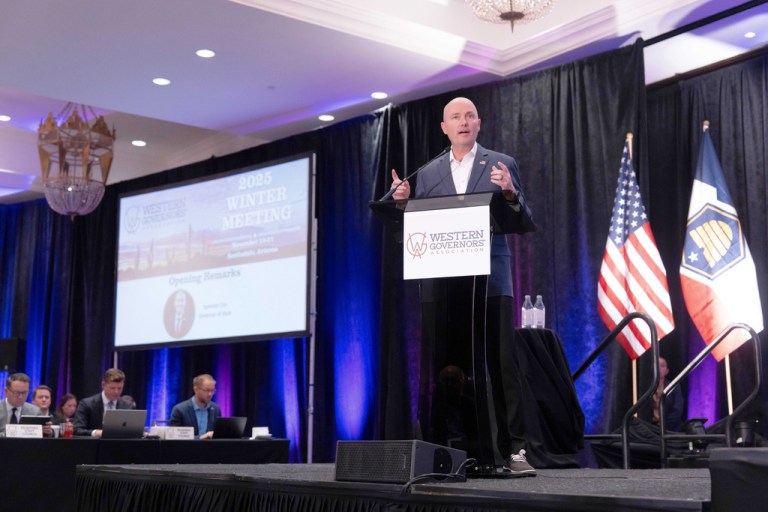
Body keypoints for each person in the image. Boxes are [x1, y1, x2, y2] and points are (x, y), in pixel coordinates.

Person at [390, 97, 535, 475]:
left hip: (490, 281)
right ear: (444, 127)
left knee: (501, 365)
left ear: (479, 123)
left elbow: (523, 218)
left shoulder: (501, 164)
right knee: (447, 370)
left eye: (469, 115)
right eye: (455, 117)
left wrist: (509, 194)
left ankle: (514, 452)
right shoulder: (429, 172)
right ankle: (447, 451)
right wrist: (404, 205)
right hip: (444, 286)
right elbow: (423, 226)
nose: (463, 122)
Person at [73, 368, 135, 437]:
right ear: (103, 385)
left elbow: (132, 431)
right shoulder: (86, 404)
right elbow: (77, 430)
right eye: (112, 388)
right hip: (94, 445)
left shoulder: (127, 406)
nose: (116, 392)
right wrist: (96, 433)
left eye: (119, 388)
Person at [169, 374, 221, 439]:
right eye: (207, 390)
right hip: (187, 448)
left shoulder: (215, 409)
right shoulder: (180, 410)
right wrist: (200, 437)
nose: (210, 394)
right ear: (196, 389)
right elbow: (173, 437)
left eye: (212, 391)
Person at [643, 356, 684, 432]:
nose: (658, 368)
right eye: (656, 365)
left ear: (667, 371)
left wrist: (663, 424)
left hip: (670, 428)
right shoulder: (645, 387)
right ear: (652, 368)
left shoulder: (673, 387)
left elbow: (678, 410)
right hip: (649, 428)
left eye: (662, 366)